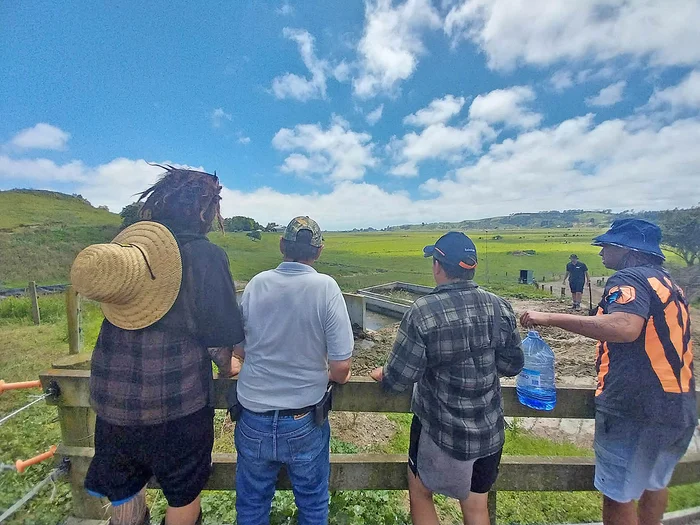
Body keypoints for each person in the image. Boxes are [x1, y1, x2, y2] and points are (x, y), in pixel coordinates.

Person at [71, 168, 245, 525]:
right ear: (204, 210)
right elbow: (219, 338)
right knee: (183, 492)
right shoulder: (205, 255)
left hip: (113, 402)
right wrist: (229, 366)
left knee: (124, 490)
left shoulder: (129, 253)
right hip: (177, 405)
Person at [521, 219, 696, 525]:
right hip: (678, 403)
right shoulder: (668, 283)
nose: (601, 251)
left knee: (618, 495)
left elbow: (625, 327)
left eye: (608, 246)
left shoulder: (629, 279)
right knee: (654, 483)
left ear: (629, 251)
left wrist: (548, 317)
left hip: (636, 406)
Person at [369, 231, 524, 525]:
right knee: (476, 507)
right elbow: (512, 364)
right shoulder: (499, 306)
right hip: (488, 432)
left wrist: (383, 374)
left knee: (420, 492)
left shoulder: (423, 311)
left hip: (439, 431)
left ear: (438, 266)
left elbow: (399, 379)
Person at [231, 216, 354, 525]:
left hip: (253, 416)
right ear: (319, 250)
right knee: (312, 505)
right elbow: (341, 368)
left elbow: (238, 349)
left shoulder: (257, 284)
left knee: (251, 505)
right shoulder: (326, 288)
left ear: (282, 245)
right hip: (303, 419)